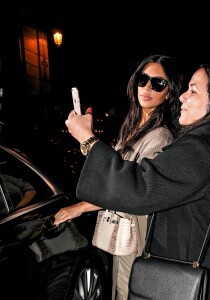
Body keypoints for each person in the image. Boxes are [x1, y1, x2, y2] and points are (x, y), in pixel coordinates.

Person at [63, 59, 210, 300]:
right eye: (142, 80)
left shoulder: (203, 144)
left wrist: (87, 138)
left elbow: (139, 188)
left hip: (206, 283)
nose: (183, 96)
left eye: (193, 90)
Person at [54, 54, 182, 300]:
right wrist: (85, 141)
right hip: (122, 229)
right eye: (143, 80)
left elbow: (127, 188)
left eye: (158, 83)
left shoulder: (161, 137)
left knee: (127, 291)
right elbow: (111, 173)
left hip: (136, 235)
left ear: (169, 93)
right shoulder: (132, 125)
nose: (146, 88)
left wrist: (79, 207)